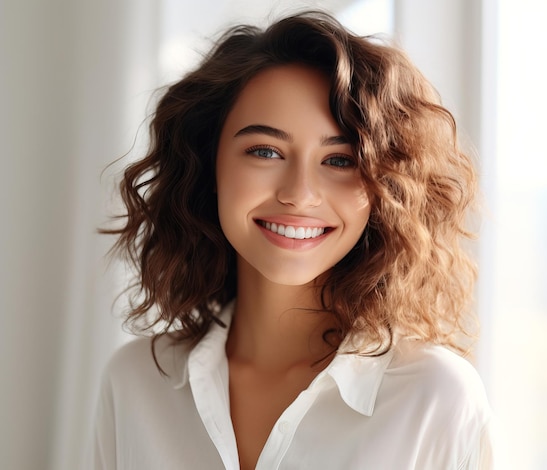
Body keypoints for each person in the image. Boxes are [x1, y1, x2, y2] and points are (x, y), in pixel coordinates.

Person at [92, 10, 494, 470]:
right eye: (265, 151)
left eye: (340, 160)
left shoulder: (434, 400)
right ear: (209, 165)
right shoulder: (135, 383)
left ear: (384, 187)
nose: (299, 193)